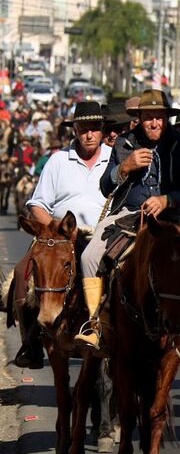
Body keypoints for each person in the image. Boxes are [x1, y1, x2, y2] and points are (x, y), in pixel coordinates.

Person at [77, 89, 180, 353]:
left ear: (167, 118)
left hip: (175, 217)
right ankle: (95, 324)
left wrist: (167, 200)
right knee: (88, 256)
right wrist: (124, 168)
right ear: (139, 119)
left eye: (159, 117)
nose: (154, 123)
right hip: (129, 214)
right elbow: (104, 187)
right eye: (148, 118)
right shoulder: (124, 144)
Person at [11, 102, 112, 368]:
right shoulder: (58, 160)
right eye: (83, 129)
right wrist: (59, 228)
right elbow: (36, 205)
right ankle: (31, 343)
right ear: (75, 131)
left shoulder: (115, 159)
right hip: (60, 237)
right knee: (23, 274)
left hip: (104, 237)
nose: (88, 134)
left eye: (93, 129)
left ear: (102, 130)